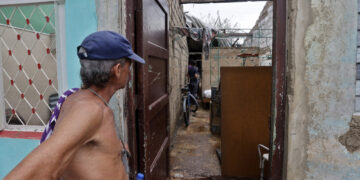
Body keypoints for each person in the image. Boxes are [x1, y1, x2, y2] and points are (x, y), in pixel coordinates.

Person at [4, 31, 145, 180]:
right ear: (117, 70)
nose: (129, 73)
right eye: (129, 67)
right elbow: (44, 163)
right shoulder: (90, 110)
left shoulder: (80, 99)